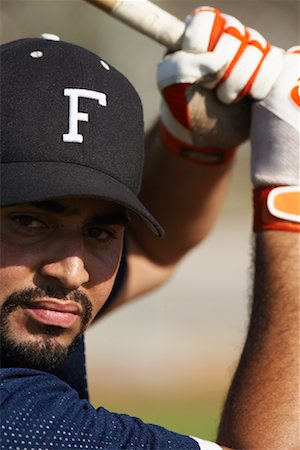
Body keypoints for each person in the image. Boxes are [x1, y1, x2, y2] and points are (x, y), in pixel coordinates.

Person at [0, 6, 299, 450]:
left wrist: (195, 141)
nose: (72, 272)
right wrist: (287, 190)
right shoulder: (18, 422)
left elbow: (153, 252)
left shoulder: (26, 299)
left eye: (100, 232)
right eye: (30, 221)